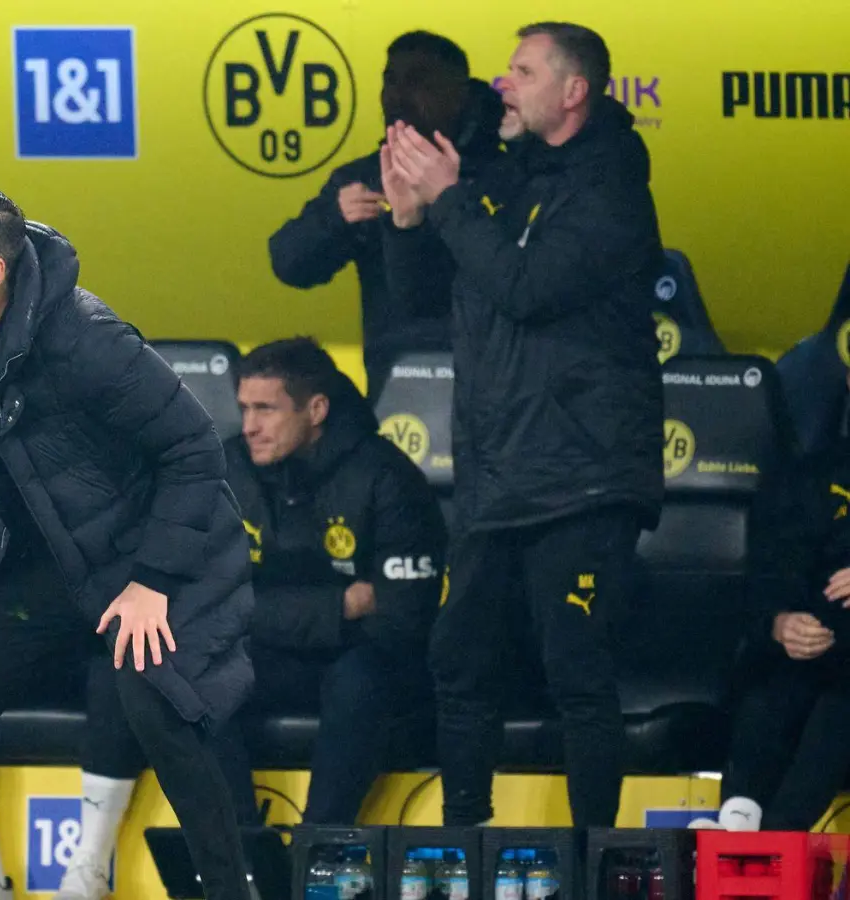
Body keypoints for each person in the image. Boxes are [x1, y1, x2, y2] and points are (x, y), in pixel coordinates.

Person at [0, 183, 254, 900]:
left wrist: (151, 583)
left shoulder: (86, 340)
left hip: (152, 557)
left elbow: (194, 448)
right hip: (54, 564)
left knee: (159, 702)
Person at [37, 338, 447, 900]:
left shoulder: (387, 479)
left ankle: (316, 857)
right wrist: (337, 605)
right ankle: (241, 861)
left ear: (316, 410)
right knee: (188, 675)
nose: (249, 425)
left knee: (363, 681)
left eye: (266, 410)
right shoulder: (222, 471)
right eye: (245, 408)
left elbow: (402, 619)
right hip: (278, 651)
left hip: (366, 664)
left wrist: (262, 609)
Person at [378, 22, 663, 828]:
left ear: (573, 92)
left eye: (523, 71)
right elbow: (424, 303)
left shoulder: (610, 191)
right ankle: (464, 847)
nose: (503, 84)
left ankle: (594, 860)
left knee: (578, 673)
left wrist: (450, 201)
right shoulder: (503, 179)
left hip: (584, 477)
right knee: (458, 666)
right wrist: (408, 222)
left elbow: (528, 286)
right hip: (496, 471)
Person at [268, 31, 503, 395]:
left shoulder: (503, 174)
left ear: (459, 94)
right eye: (390, 80)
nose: (398, 95)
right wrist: (333, 219)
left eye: (418, 81)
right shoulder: (366, 177)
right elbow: (288, 263)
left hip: (495, 386)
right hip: (396, 387)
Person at [692, 378, 850, 832]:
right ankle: (738, 821)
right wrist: (779, 623)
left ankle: (777, 843)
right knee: (771, 680)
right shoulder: (811, 474)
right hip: (811, 649)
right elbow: (765, 577)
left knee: (838, 704)